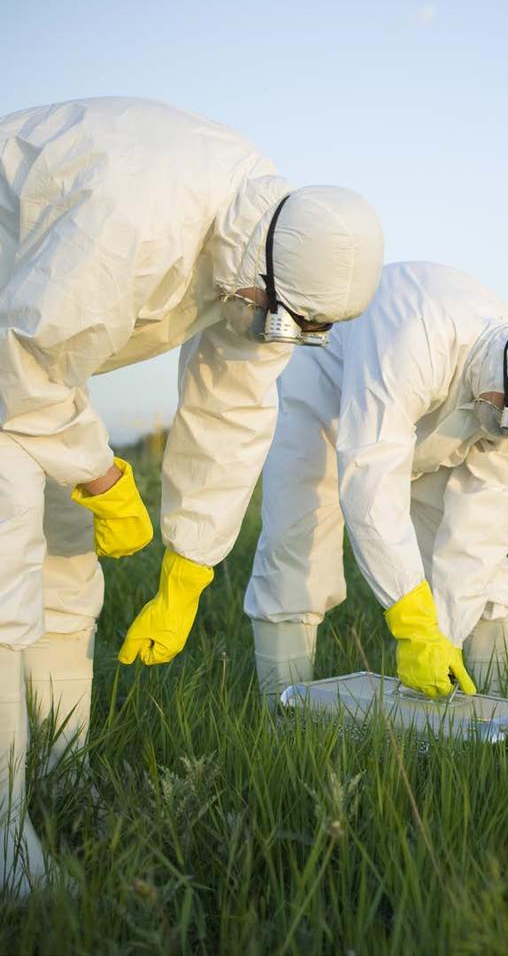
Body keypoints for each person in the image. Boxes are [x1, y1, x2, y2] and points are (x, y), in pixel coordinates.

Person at [0, 96, 384, 896]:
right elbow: (24, 362)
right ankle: (8, 846)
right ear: (263, 272)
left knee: (69, 559)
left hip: (37, 354)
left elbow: (232, 409)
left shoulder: (266, 248)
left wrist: (189, 570)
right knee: (6, 566)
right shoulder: (136, 219)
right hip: (14, 347)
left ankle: (63, 776)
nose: (273, 329)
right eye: (277, 314)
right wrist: (105, 477)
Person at [244, 261, 508, 703]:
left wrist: (441, 637)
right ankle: (282, 713)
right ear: (500, 373)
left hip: (439, 420)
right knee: (298, 541)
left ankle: (496, 709)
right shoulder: (416, 333)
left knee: (486, 574)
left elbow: (482, 533)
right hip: (331, 396)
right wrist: (414, 625)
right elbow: (371, 479)